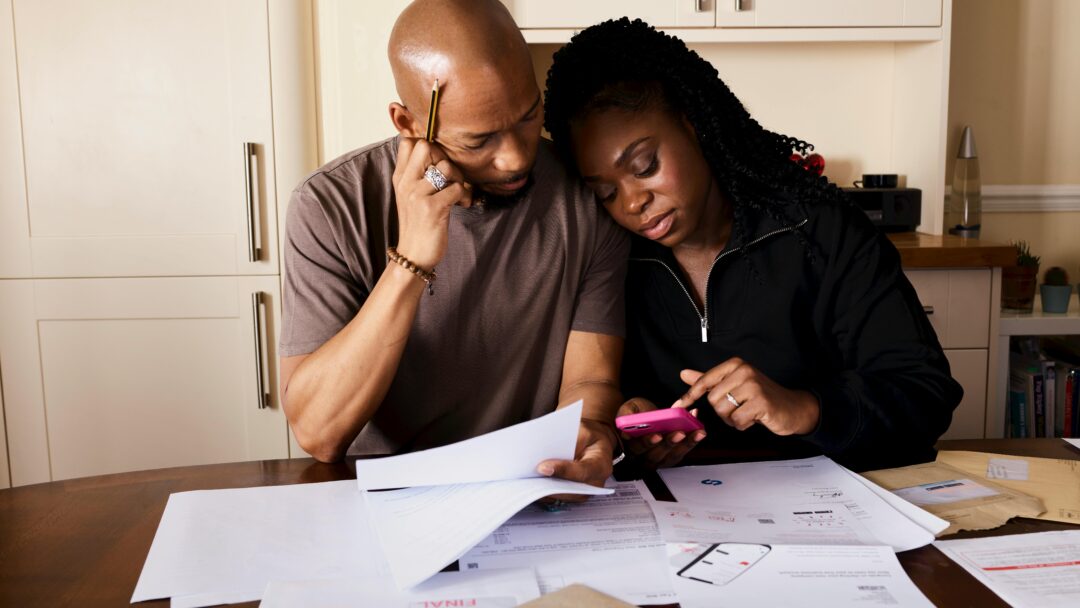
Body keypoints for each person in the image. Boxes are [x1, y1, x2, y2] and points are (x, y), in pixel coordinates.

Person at [543, 18, 963, 472]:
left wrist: (804, 409)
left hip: (829, 505)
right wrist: (632, 422)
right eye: (604, 192)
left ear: (694, 125)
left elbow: (925, 395)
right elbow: (599, 397)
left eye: (645, 165)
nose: (632, 202)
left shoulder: (818, 229)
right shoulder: (611, 258)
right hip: (679, 516)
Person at [278, 0, 628, 493]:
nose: (514, 158)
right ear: (407, 123)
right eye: (479, 140)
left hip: (526, 489)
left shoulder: (585, 196)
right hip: (378, 497)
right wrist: (412, 260)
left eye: (528, 118)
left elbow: (589, 382)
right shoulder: (329, 205)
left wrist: (590, 431)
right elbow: (319, 434)